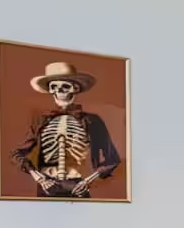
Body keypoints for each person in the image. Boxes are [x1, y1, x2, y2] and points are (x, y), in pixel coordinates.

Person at [10, 61, 121, 198]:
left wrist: (88, 181)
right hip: (46, 186)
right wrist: (39, 177)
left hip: (78, 185)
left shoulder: (92, 120)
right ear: (50, 90)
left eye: (65, 86)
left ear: (75, 88)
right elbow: (17, 154)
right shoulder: (41, 120)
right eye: (54, 87)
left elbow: (112, 159)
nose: (59, 91)